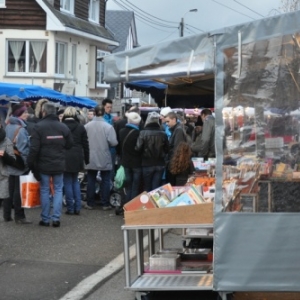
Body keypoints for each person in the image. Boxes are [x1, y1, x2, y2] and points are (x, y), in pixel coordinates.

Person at [27, 103, 73, 228]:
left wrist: (30, 163)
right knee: (58, 190)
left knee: (45, 190)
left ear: (44, 112)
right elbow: (70, 144)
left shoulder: (38, 127)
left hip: (43, 164)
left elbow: (34, 148)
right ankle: (56, 218)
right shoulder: (63, 127)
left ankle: (45, 219)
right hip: (59, 163)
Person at [84, 105, 118, 210]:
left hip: (90, 156)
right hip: (104, 155)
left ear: (94, 113)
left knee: (91, 179)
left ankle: (90, 202)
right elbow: (113, 142)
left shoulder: (87, 126)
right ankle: (105, 203)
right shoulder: (108, 126)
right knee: (106, 180)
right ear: (104, 113)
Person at [4, 103, 32, 224]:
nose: (27, 114)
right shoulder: (21, 129)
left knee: (9, 188)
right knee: (18, 190)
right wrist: (26, 164)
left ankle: (6, 215)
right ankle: (19, 216)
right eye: (24, 112)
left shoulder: (7, 126)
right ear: (18, 114)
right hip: (18, 162)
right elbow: (23, 149)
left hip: (8, 160)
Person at [62, 107, 89, 215]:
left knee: (67, 181)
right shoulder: (81, 127)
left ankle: (70, 207)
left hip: (65, 156)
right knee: (75, 181)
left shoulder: (62, 126)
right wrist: (87, 159)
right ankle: (77, 207)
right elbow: (85, 144)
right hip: (77, 156)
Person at [135, 112, 169, 191]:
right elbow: (167, 148)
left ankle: (148, 203)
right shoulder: (163, 133)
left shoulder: (143, 133)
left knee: (147, 187)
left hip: (147, 163)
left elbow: (138, 148)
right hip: (160, 163)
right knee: (156, 187)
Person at [119, 111, 142, 203]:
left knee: (128, 186)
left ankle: (126, 204)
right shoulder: (139, 133)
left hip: (126, 162)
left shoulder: (121, 132)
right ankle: (133, 206)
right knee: (135, 186)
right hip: (137, 163)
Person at [164, 111, 187, 184]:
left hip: (175, 164)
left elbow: (178, 149)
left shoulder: (178, 130)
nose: (167, 124)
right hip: (175, 163)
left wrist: (173, 164)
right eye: (166, 122)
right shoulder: (177, 129)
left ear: (174, 119)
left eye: (168, 121)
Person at [0, 123, 16, 214]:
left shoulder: (6, 141)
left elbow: (13, 160)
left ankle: (7, 215)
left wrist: (4, 155)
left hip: (2, 177)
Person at [102, 98, 117, 181]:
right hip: (103, 146)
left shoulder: (112, 118)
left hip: (111, 147)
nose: (110, 109)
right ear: (103, 107)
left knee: (111, 168)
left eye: (111, 107)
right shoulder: (101, 118)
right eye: (108, 107)